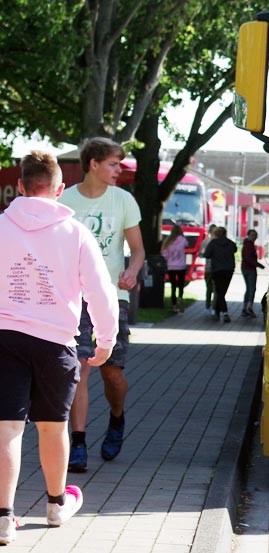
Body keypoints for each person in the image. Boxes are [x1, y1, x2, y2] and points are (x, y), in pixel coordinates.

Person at [0, 151, 119, 544]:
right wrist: (106, 340)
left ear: (20, 186)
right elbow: (101, 292)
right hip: (56, 343)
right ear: (60, 189)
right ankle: (54, 505)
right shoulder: (76, 233)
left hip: (5, 339)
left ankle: (3, 517)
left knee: (8, 428)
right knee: (53, 427)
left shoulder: (1, 226)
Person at [60, 137, 145, 472]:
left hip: (112, 296)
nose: (118, 170)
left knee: (111, 374)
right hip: (73, 296)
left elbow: (137, 249)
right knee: (79, 367)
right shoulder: (64, 201)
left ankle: (117, 417)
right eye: (113, 164)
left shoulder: (123, 200)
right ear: (93, 164)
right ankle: (78, 443)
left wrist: (133, 269)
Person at [202, 225, 238, 324]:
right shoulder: (230, 243)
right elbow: (235, 249)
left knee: (219, 292)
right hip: (228, 270)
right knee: (222, 291)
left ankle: (224, 313)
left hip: (217, 270)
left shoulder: (213, 243)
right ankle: (218, 312)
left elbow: (206, 255)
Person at [161, 224, 189, 312]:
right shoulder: (182, 240)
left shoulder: (168, 241)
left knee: (173, 286)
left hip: (171, 266)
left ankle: (173, 305)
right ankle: (180, 297)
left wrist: (168, 258)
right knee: (181, 284)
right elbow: (186, 245)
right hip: (181, 266)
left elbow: (164, 253)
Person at [240, 228, 265, 318]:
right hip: (250, 269)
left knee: (248, 288)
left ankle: (245, 308)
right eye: (253, 235)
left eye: (255, 235)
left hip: (245, 267)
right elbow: (248, 258)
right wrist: (259, 265)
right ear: (249, 235)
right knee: (252, 288)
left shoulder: (247, 244)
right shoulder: (249, 245)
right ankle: (249, 307)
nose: (255, 237)